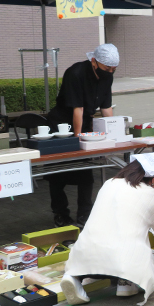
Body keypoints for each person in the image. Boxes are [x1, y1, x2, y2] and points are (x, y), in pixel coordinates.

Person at [60, 153, 154, 306]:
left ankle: (74, 277)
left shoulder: (110, 182)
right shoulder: (152, 195)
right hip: (122, 261)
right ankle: (126, 281)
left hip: (85, 256)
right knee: (137, 238)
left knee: (116, 232)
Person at [46, 44, 119, 228]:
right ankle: (60, 214)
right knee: (57, 175)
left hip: (85, 123)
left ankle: (85, 216)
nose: (110, 72)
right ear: (94, 61)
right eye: (106, 68)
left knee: (86, 175)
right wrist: (78, 137)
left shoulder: (107, 76)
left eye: (113, 69)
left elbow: (106, 107)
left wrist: (114, 131)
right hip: (61, 125)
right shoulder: (76, 73)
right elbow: (77, 108)